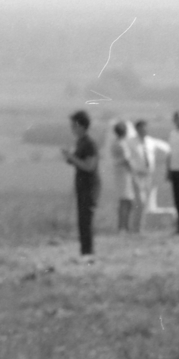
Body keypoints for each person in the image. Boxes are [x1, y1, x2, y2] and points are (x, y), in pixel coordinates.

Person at [61, 108, 101, 258]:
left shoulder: (90, 143)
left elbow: (89, 166)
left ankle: (88, 253)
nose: (72, 129)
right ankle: (84, 252)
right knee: (82, 220)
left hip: (90, 185)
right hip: (82, 185)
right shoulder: (80, 142)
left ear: (81, 126)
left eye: (74, 126)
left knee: (86, 220)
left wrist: (71, 157)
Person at [110, 119, 138, 233]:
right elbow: (127, 160)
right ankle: (123, 226)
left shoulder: (114, 143)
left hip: (119, 173)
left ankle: (123, 226)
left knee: (124, 201)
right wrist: (134, 172)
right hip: (125, 174)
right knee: (126, 201)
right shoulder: (122, 144)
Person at [129, 119, 156, 233]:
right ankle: (136, 227)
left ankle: (141, 226)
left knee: (145, 202)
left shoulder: (150, 141)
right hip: (137, 174)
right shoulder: (131, 142)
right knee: (140, 200)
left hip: (148, 175)